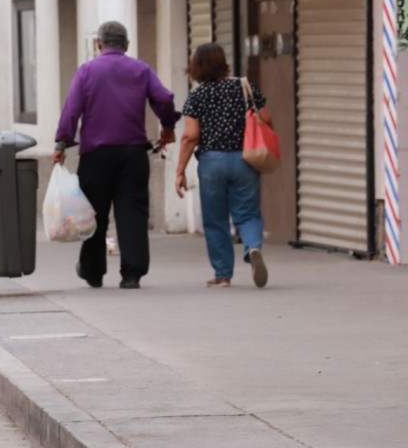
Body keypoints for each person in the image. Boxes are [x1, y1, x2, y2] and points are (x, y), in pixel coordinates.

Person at [54, 21, 181, 290]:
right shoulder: (141, 69)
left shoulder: (87, 70)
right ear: (127, 45)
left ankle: (92, 271)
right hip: (133, 153)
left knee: (92, 213)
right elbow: (164, 98)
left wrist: (62, 144)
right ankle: (132, 273)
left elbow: (71, 109)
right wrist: (168, 125)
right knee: (132, 212)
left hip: (96, 155)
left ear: (98, 44)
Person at [174, 42, 272, 288]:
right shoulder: (244, 87)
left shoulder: (197, 95)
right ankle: (252, 248)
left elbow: (191, 135)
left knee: (215, 219)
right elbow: (267, 118)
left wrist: (180, 170)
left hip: (212, 162)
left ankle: (222, 275)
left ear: (197, 66)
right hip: (245, 159)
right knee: (248, 213)